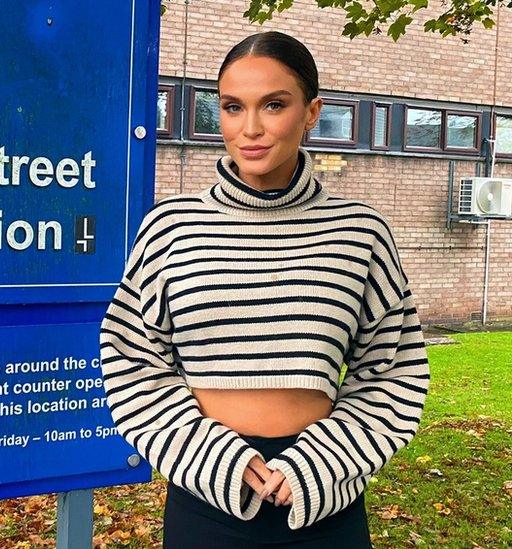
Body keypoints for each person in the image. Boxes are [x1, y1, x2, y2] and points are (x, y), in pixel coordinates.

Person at [98, 30, 430, 548]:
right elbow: (131, 360)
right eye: (232, 107)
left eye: (273, 105)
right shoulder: (173, 228)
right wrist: (212, 456)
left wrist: (321, 462)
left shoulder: (359, 233)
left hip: (327, 498)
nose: (249, 128)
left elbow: (393, 370)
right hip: (206, 498)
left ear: (312, 111)